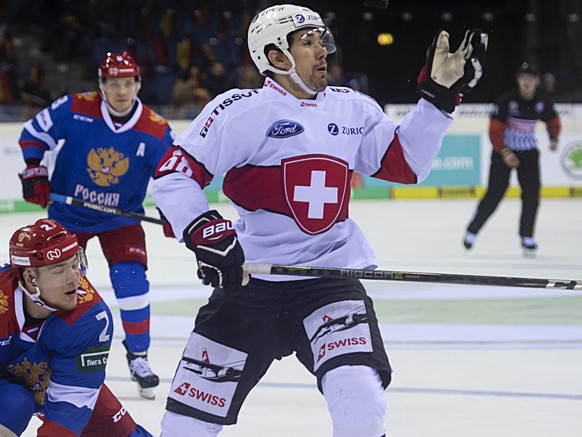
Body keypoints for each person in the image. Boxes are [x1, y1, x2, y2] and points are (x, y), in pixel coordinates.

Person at [152, 4, 487, 436]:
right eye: (307, 43)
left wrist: (438, 101)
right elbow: (173, 177)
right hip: (249, 285)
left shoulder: (352, 109)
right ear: (276, 57)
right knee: (184, 426)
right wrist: (203, 230)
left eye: (321, 41)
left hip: (329, 281)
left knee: (362, 403)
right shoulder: (239, 110)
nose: (322, 51)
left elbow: (406, 164)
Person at [17, 51, 175, 399]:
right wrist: (34, 169)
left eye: (128, 83)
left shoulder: (155, 128)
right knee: (63, 288)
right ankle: (47, 352)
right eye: (114, 83)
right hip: (68, 217)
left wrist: (175, 208)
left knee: (131, 280)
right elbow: (33, 134)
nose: (121, 91)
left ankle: (139, 356)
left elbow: (172, 175)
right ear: (101, 85)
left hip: (121, 219)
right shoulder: (75, 107)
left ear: (139, 83)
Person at [0, 218, 152, 436]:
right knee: (14, 404)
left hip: (55, 379)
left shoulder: (90, 319)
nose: (75, 278)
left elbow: (65, 419)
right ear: (30, 277)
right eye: (60, 270)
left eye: (75, 264)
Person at [463, 62, 561, 257]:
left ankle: (527, 237)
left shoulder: (542, 101)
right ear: (518, 80)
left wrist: (554, 137)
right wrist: (505, 151)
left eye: (531, 79)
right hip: (503, 154)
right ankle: (472, 231)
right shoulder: (506, 101)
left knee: (532, 196)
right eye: (523, 78)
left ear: (536, 81)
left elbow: (553, 120)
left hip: (528, 154)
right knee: (495, 194)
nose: (527, 82)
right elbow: (494, 130)